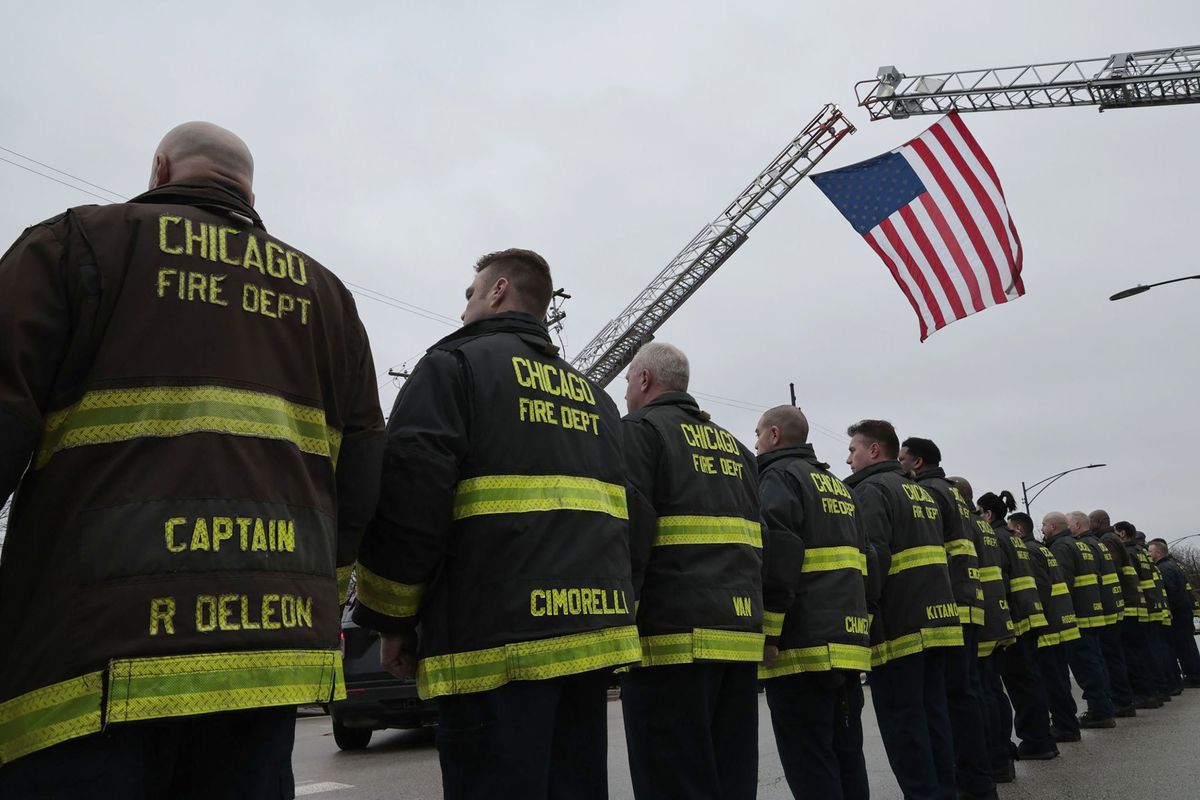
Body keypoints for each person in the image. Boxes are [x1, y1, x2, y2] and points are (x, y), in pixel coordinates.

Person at [0, 122, 386, 796]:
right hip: (266, 662)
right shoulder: (329, 300)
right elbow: (359, 482)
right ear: (246, 188)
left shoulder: (74, 246)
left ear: (160, 167)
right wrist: (317, 591)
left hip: (88, 665)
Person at [352, 249, 641, 800]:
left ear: (498, 290)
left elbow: (410, 502)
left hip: (491, 648)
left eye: (470, 293)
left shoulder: (453, 368)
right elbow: (633, 521)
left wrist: (390, 617)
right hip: (589, 645)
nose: (463, 308)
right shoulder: (598, 400)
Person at [620, 342, 765, 800]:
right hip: (738, 635)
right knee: (731, 775)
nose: (625, 392)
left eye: (627, 381)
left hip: (670, 638)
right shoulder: (738, 448)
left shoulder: (640, 432)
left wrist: (621, 616)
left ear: (644, 380)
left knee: (674, 779)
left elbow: (630, 531)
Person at [756, 405, 873, 800]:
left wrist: (770, 632)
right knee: (845, 751)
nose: (755, 444)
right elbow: (868, 560)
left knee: (809, 758)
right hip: (846, 640)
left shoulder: (777, 478)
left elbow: (779, 557)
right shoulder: (839, 486)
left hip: (801, 645)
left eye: (758, 435)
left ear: (774, 435)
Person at [844, 420, 962, 800]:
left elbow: (872, 557)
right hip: (938, 620)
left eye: (853, 450)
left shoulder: (873, 491)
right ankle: (944, 792)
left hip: (900, 624)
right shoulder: (920, 491)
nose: (848, 459)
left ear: (874, 450)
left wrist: (864, 613)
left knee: (904, 723)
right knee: (934, 717)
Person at [899, 439, 992, 800]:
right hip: (968, 601)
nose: (900, 464)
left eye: (903, 459)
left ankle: (968, 780)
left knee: (952, 699)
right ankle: (980, 779)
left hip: (948, 603)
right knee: (966, 695)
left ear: (917, 462)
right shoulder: (953, 493)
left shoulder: (929, 492)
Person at [977, 492, 1056, 765]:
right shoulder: (1013, 537)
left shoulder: (996, 539)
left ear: (988, 514)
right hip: (1029, 615)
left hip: (1015, 619)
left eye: (980, 512)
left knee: (1020, 686)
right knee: (1030, 682)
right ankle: (1041, 738)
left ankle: (1035, 741)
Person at [950, 477, 1015, 792]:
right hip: (993, 613)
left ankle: (991, 761)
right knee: (991, 690)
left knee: (979, 693)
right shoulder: (987, 528)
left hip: (977, 615)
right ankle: (1001, 760)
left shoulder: (967, 525)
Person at [1008, 512, 1082, 744]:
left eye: (1011, 529)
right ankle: (1067, 723)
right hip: (1057, 621)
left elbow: (1038, 588)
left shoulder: (1029, 551)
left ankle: (1065, 726)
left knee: (1051, 680)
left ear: (1019, 530)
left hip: (1047, 625)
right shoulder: (1042, 549)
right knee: (1057, 677)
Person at [1042, 511, 1116, 728]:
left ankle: (1099, 711)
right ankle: (1103, 707)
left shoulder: (1060, 547)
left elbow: (1063, 581)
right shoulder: (1080, 544)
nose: (1043, 529)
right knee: (1095, 661)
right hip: (1091, 611)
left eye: (1044, 525)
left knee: (1086, 665)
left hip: (1077, 615)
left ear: (1054, 527)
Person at [1091, 510, 1159, 709]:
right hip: (1133, 604)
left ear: (1100, 521)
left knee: (1128, 654)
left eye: (1092, 520)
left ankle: (1141, 694)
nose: (1090, 523)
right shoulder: (1117, 541)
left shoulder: (1108, 540)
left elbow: (1109, 567)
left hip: (1127, 605)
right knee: (1136, 652)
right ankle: (1148, 692)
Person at [1068, 511, 1133, 716]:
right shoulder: (1101, 542)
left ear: (1078, 525)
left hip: (1099, 608)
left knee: (1101, 659)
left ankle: (1115, 702)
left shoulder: (1095, 542)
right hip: (1109, 606)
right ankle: (1120, 701)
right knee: (1109, 657)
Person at [1148, 537, 1200, 688]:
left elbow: (1170, 592)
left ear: (1158, 552)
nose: (1148, 554)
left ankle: (1193, 676)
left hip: (1177, 613)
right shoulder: (1172, 565)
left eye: (1150, 551)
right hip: (1183, 611)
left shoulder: (1164, 569)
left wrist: (1168, 609)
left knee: (1183, 646)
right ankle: (1194, 674)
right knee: (1187, 644)